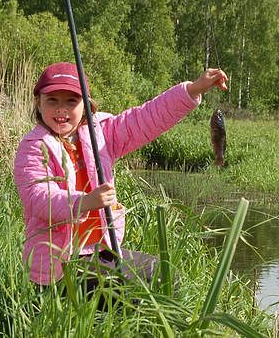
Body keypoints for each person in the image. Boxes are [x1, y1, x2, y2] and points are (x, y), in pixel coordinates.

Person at [13, 62, 228, 288]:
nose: (61, 109)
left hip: (101, 252)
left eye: (71, 101)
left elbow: (146, 118)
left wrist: (194, 89)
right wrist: (84, 202)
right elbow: (39, 198)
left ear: (86, 105)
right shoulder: (33, 148)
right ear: (38, 102)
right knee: (128, 292)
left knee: (163, 274)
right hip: (59, 265)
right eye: (52, 101)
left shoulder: (102, 133)